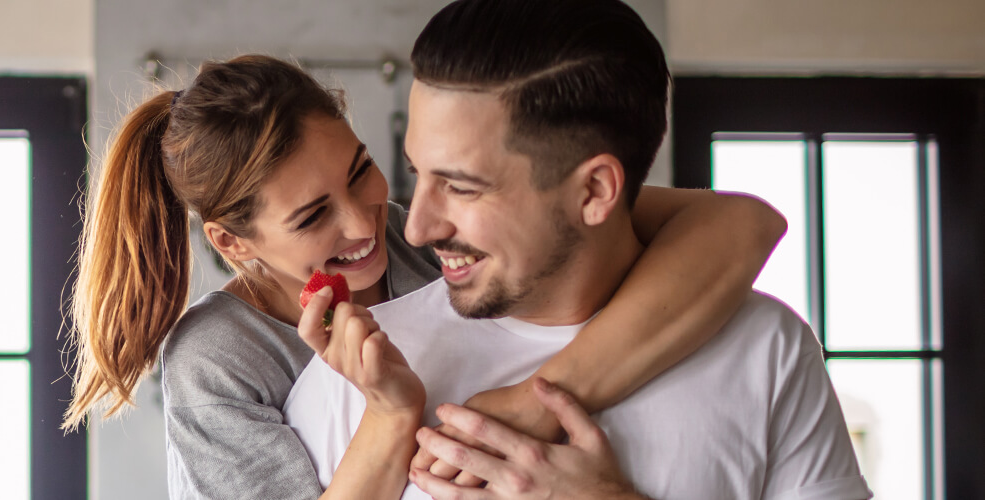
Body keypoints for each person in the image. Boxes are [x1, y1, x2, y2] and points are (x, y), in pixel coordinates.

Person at [63, 53, 789, 498]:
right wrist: (390, 411)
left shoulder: (422, 236)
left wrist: (538, 403)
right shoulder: (216, 362)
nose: (367, 222)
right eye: (314, 215)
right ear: (232, 242)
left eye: (362, 172)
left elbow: (743, 225)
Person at [283, 0, 871, 498]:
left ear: (594, 190)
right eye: (418, 174)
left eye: (461, 187)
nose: (417, 228)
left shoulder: (767, 353)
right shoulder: (358, 374)